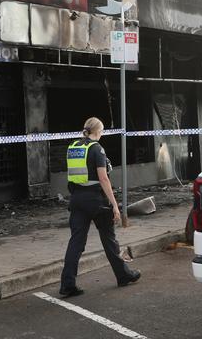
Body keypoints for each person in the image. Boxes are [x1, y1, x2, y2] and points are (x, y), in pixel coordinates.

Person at [59, 117, 141, 297]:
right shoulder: (97, 149)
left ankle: (67, 284)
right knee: (109, 239)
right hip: (96, 200)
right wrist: (114, 205)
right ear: (98, 131)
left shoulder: (74, 148)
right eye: (102, 131)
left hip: (77, 199)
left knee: (76, 243)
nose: (102, 134)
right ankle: (123, 275)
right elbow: (103, 178)